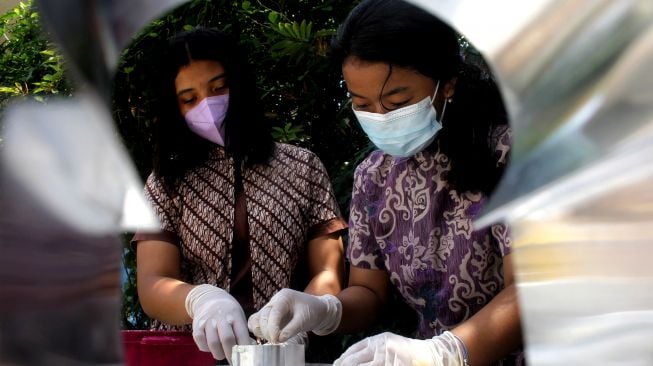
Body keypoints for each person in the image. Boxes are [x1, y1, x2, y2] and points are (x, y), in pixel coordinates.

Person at [248, 0, 523, 365]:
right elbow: (367, 292)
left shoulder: (511, 151)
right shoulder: (373, 178)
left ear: (448, 83)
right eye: (362, 103)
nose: (380, 118)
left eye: (397, 101)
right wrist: (323, 309)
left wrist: (445, 354)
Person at [132, 28, 347, 365]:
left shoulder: (302, 166)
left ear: (241, 83)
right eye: (189, 99)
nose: (207, 104)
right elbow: (152, 283)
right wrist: (201, 300)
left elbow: (328, 272)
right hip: (187, 355)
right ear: (176, 108)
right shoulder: (166, 182)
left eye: (218, 88)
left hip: (279, 355)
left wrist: (306, 314)